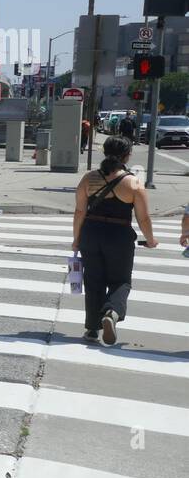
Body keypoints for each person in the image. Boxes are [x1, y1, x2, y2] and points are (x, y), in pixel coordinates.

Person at [72, 136, 159, 346]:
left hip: (91, 233)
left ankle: (92, 329)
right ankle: (112, 312)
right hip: (119, 236)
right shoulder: (134, 183)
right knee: (121, 280)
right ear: (127, 156)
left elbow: (79, 211)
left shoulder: (89, 179)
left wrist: (76, 239)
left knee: (93, 281)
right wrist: (151, 239)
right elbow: (143, 218)